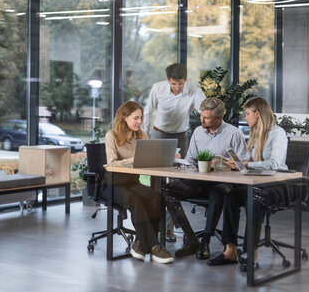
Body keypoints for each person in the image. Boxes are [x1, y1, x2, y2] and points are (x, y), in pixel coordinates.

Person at [207, 97, 288, 267]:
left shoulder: (277, 133)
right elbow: (248, 162)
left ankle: (252, 253)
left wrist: (247, 164)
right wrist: (236, 164)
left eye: (248, 114)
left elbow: (275, 164)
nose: (246, 118)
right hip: (257, 183)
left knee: (254, 199)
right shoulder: (255, 134)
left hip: (278, 185)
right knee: (230, 197)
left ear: (257, 114)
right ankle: (230, 251)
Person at [164, 97, 248, 260]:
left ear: (218, 118)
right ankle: (191, 237)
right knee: (167, 190)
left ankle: (206, 241)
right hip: (199, 181)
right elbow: (190, 159)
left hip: (223, 182)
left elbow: (242, 165)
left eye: (206, 118)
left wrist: (232, 165)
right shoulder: (197, 132)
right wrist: (178, 159)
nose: (201, 120)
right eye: (201, 116)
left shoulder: (234, 134)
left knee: (218, 193)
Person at [104, 101, 174, 264]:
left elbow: (150, 158)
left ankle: (140, 243)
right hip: (113, 184)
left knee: (155, 196)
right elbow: (112, 163)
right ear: (124, 117)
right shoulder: (112, 136)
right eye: (136, 118)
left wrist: (166, 157)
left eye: (141, 118)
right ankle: (155, 247)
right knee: (136, 200)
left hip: (131, 182)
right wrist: (134, 160)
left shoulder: (141, 136)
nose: (140, 122)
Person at [142, 62, 205, 242]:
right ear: (168, 80)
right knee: (156, 182)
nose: (177, 87)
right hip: (159, 133)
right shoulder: (158, 88)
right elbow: (148, 111)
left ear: (185, 80)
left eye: (180, 83)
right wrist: (145, 135)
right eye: (173, 83)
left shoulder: (193, 90)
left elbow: (206, 109)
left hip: (180, 135)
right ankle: (154, 226)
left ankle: (168, 229)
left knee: (176, 184)